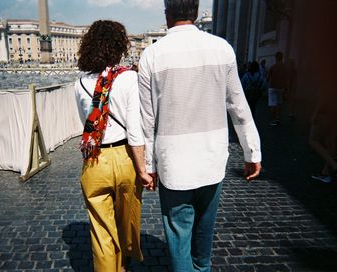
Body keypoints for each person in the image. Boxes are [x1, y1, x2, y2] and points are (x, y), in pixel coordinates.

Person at [137, 1, 262, 271]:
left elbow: (147, 119)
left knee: (179, 235)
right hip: (211, 159)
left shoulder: (152, 55)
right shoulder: (222, 49)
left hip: (173, 163)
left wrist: (149, 166)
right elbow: (238, 106)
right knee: (204, 235)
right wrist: (252, 152)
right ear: (194, 12)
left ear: (167, 13)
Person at [74, 20, 152, 272]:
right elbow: (135, 130)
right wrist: (144, 169)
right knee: (127, 221)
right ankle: (126, 262)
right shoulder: (130, 78)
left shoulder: (80, 83)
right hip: (126, 158)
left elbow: (86, 124)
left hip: (95, 160)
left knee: (102, 232)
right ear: (120, 46)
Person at [267, 51, 288, 126]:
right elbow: (286, 78)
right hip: (281, 87)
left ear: (276, 58)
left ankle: (274, 119)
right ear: (282, 58)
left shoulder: (273, 67)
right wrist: (286, 88)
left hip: (272, 87)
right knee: (279, 103)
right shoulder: (285, 67)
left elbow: (268, 77)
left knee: (272, 104)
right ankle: (278, 117)